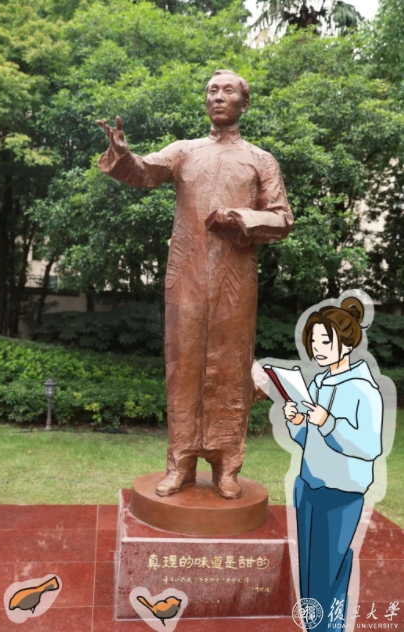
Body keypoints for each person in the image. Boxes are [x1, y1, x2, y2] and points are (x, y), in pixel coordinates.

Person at [96, 70, 293, 500]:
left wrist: (242, 217)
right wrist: (122, 153)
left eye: (228, 91)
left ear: (243, 103)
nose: (218, 97)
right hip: (185, 274)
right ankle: (180, 463)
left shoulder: (260, 160)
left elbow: (282, 218)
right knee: (182, 365)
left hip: (236, 277)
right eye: (211, 91)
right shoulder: (185, 151)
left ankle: (227, 464)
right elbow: (144, 171)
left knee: (232, 366)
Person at [283, 296, 383, 630]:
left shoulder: (363, 390)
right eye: (314, 342)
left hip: (340, 494)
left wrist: (326, 422)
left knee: (329, 573)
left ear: (348, 343)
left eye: (326, 341)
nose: (318, 349)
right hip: (308, 485)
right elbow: (309, 440)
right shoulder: (318, 382)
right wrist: (298, 421)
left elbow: (368, 446)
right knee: (309, 572)